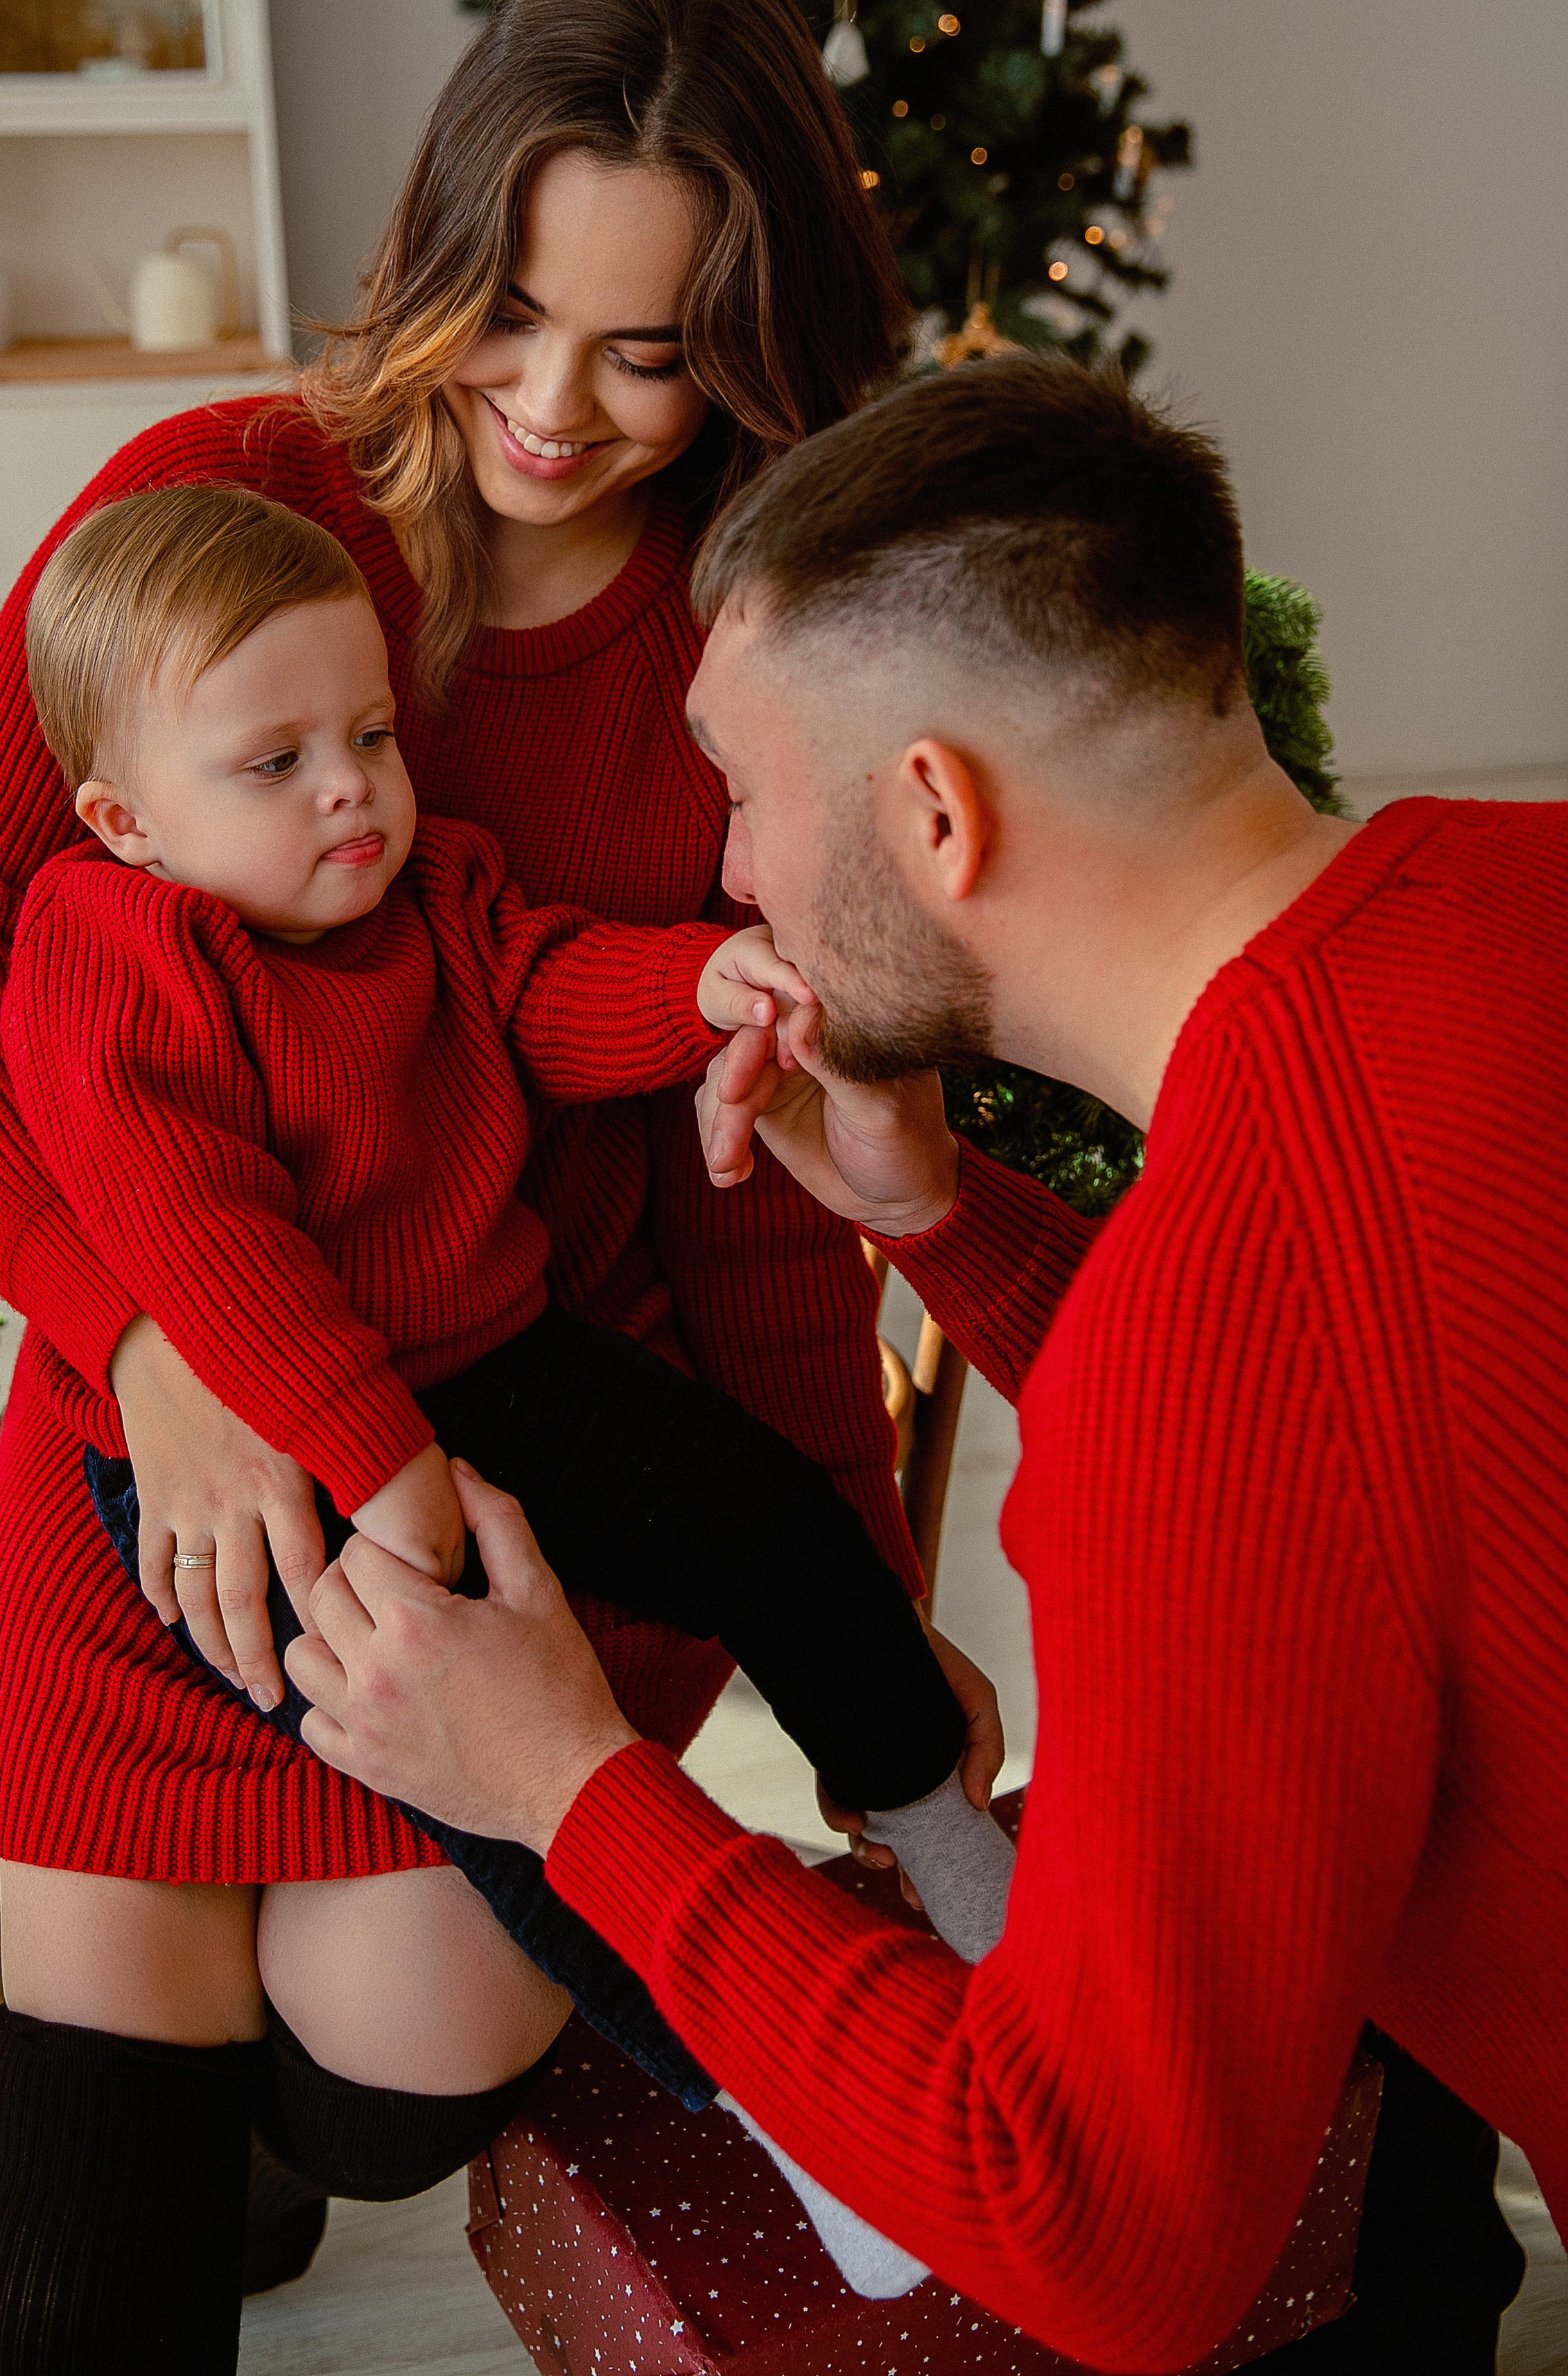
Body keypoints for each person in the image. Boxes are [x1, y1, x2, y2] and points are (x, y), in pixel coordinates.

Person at [0, 0, 1004, 2374]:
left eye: (651, 349)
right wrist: (147, 1343)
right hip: (169, 1425)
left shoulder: (742, 650)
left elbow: (749, 1177)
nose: (555, 411)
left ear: (758, 346)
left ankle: (296, 2144)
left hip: (529, 1428)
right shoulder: (211, 510)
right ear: (442, 242)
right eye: (514, 308)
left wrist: (856, 1593)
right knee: (113, 2050)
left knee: (398, 2069)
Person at [280, 356, 1558, 2374]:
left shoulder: (1220, 1335)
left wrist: (566, 1783)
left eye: (743, 785)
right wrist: (937, 1216)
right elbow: (1377, 1479)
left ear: (936, 811)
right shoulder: (1510, 897)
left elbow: (1111, 2237)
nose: (727, 876)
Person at [6, 477, 1014, 2101]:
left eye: (373, 738)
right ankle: (762, 2088)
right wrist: (381, 1473)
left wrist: (696, 984)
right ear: (125, 819)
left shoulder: (434, 889)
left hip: (503, 1362)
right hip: (284, 1439)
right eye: (276, 767)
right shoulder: (111, 946)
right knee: (507, 1816)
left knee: (769, 1520)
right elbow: (203, 1239)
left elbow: (543, 983)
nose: (351, 794)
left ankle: (939, 1840)